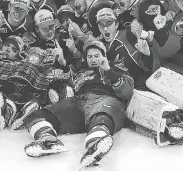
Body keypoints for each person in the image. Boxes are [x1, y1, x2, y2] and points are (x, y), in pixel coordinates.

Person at [22, 38, 134, 169]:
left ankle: (95, 144)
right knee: (38, 114)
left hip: (104, 99)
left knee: (101, 115)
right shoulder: (81, 72)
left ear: (104, 56)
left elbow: (126, 92)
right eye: (90, 56)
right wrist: (63, 63)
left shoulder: (116, 68)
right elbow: (65, 80)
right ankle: (47, 138)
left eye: (97, 56)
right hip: (79, 101)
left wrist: (108, 70)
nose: (93, 59)